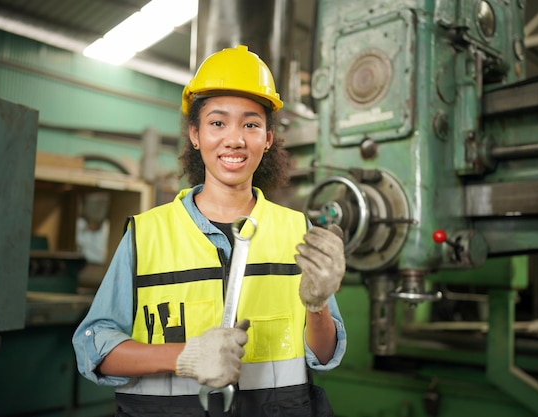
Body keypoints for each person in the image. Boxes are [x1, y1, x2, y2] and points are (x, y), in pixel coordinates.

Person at [72, 44, 347, 417]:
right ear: (196, 135)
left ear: (267, 139)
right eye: (218, 123)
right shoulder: (146, 234)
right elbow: (95, 349)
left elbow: (324, 355)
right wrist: (185, 357)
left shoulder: (298, 231)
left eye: (251, 124)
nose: (234, 139)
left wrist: (316, 308)